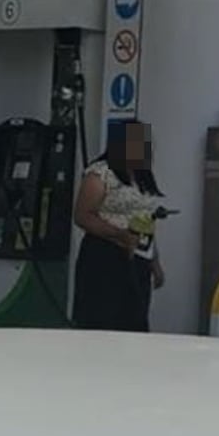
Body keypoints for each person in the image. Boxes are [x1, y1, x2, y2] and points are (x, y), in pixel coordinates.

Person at [72, 120, 165, 332]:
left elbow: (147, 220)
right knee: (103, 319)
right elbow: (83, 215)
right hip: (105, 255)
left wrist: (155, 263)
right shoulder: (101, 173)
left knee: (134, 320)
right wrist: (119, 235)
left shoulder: (142, 177)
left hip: (139, 256)